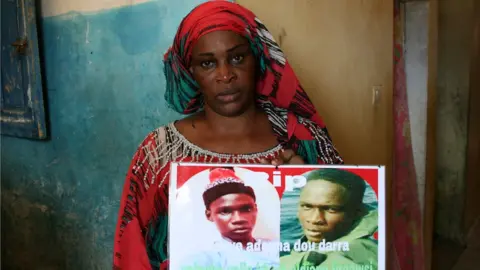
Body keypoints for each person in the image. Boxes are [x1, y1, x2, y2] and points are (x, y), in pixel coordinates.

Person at [112, 1, 343, 269]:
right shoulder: (159, 153)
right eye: (208, 63)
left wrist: (303, 183)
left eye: (236, 58)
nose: (225, 75)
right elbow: (133, 252)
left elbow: (338, 246)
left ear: (258, 59)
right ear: (190, 71)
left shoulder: (303, 139)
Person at [176, 167, 279, 270]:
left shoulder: (277, 248)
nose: (238, 219)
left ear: (255, 209)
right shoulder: (201, 259)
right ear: (209, 215)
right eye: (225, 211)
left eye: (246, 209)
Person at [280, 169, 378, 270]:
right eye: (307, 206)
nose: (314, 219)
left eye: (331, 209)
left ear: (357, 213)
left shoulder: (349, 258)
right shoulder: (328, 239)